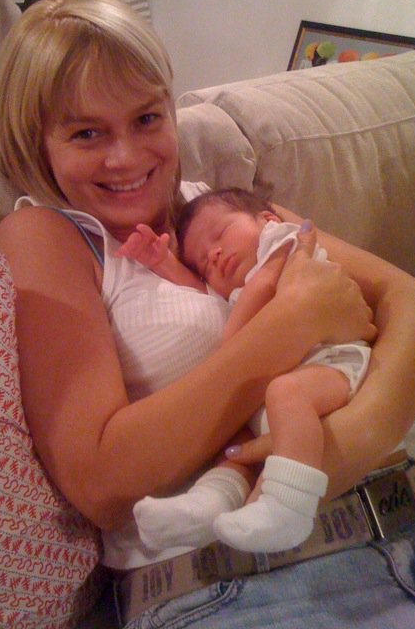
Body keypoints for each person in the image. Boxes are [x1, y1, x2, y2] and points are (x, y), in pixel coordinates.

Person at [0, 0, 415, 628]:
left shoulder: (212, 209)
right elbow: (100, 479)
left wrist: (339, 454)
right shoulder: (48, 236)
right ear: (35, 140)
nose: (127, 157)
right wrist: (293, 321)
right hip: (240, 588)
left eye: (147, 118)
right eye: (87, 132)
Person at [115, 187, 371, 554]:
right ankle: (208, 504)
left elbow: (264, 287)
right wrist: (163, 263)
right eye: (204, 262)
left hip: (334, 362)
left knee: (287, 394)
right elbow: (202, 292)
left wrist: (232, 345)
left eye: (220, 235)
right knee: (233, 436)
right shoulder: (236, 289)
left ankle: (288, 507)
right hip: (289, 381)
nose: (214, 255)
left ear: (266, 219)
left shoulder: (281, 242)